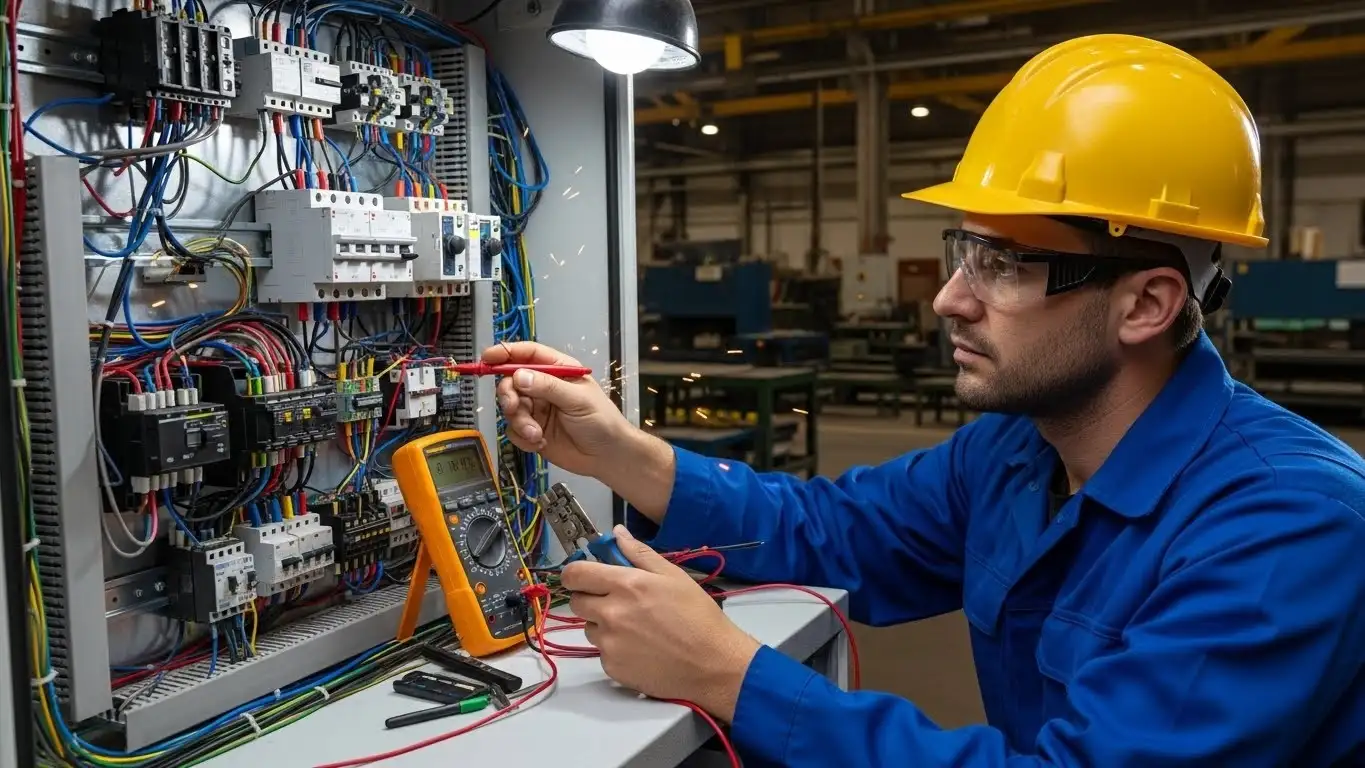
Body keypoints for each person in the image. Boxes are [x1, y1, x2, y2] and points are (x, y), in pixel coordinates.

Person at [488, 34, 1365, 767]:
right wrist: (617, 453)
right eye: (963, 251)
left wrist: (727, 673)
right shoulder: (1021, 451)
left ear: (1145, 304)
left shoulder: (1286, 526)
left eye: (1004, 265)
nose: (948, 298)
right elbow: (836, 528)